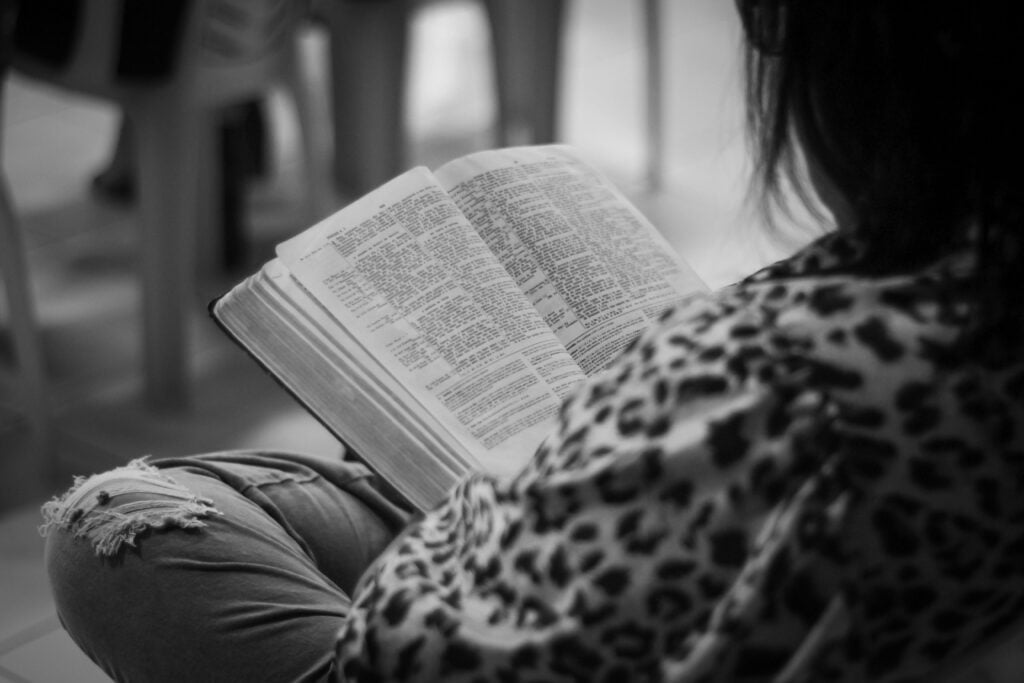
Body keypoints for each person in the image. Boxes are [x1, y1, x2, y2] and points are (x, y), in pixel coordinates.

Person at [41, 1, 1024, 681]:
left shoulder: (791, 382)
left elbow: (408, 648)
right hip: (741, 561)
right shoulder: (960, 287)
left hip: (526, 572)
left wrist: (489, 501)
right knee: (263, 487)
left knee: (114, 528)